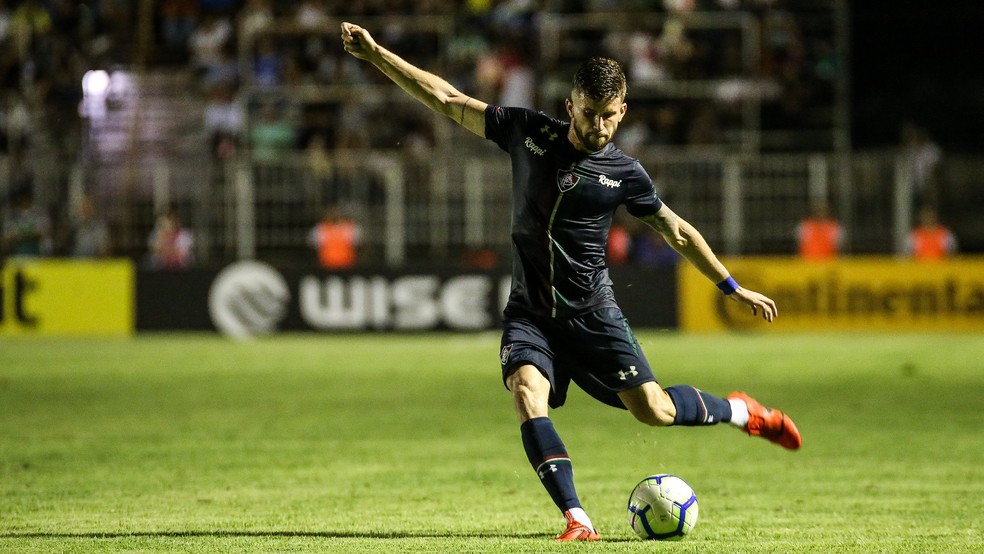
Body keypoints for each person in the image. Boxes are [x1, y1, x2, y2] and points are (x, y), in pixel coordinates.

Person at [341, 22, 801, 542]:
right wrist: (376, 55)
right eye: (588, 113)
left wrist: (731, 286)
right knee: (526, 392)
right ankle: (577, 518)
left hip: (593, 313)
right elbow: (446, 99)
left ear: (623, 111)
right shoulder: (527, 132)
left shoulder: (625, 173)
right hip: (530, 313)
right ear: (570, 106)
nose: (598, 126)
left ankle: (742, 412)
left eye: (608, 115)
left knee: (654, 410)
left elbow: (676, 230)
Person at [308, 204, 359, 270]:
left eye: (336, 212)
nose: (334, 214)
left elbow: (359, 246)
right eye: (331, 212)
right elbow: (313, 247)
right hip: (326, 266)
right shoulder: (320, 228)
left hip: (348, 266)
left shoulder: (349, 227)